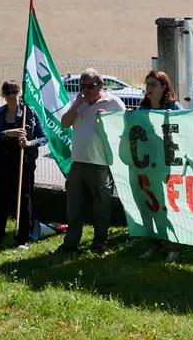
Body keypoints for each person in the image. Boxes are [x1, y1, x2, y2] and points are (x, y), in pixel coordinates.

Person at [55, 68, 126, 255]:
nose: (86, 90)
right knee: (74, 207)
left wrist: (107, 119)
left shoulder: (113, 102)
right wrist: (77, 103)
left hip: (100, 163)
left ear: (100, 86)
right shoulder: (80, 103)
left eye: (90, 86)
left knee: (101, 206)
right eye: (82, 86)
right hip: (78, 162)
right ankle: (70, 244)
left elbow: (123, 129)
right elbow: (64, 123)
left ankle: (100, 243)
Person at [0, 80, 47, 250]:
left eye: (14, 91)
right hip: (1, 163)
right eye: (7, 92)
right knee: (0, 199)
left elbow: (44, 137)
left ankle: (23, 237)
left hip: (24, 163)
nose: (11, 95)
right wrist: (6, 133)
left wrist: (30, 143)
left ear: (19, 93)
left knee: (24, 199)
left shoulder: (29, 113)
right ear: (3, 95)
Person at [136, 70, 184, 262]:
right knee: (151, 205)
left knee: (168, 206)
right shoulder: (142, 109)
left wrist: (174, 119)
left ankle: (174, 246)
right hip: (148, 166)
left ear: (164, 87)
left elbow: (184, 131)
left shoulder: (174, 107)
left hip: (168, 166)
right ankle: (155, 244)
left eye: (153, 84)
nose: (149, 88)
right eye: (147, 84)